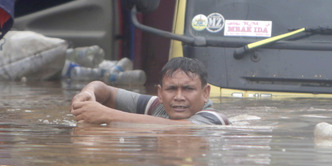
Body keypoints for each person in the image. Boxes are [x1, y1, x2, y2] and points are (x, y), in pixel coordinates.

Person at [70, 56, 229, 125]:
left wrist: (105, 115)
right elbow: (106, 90)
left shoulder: (214, 118)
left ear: (205, 93)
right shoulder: (158, 106)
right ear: (160, 93)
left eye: (188, 89)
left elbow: (182, 129)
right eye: (171, 89)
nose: (179, 97)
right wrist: (87, 94)